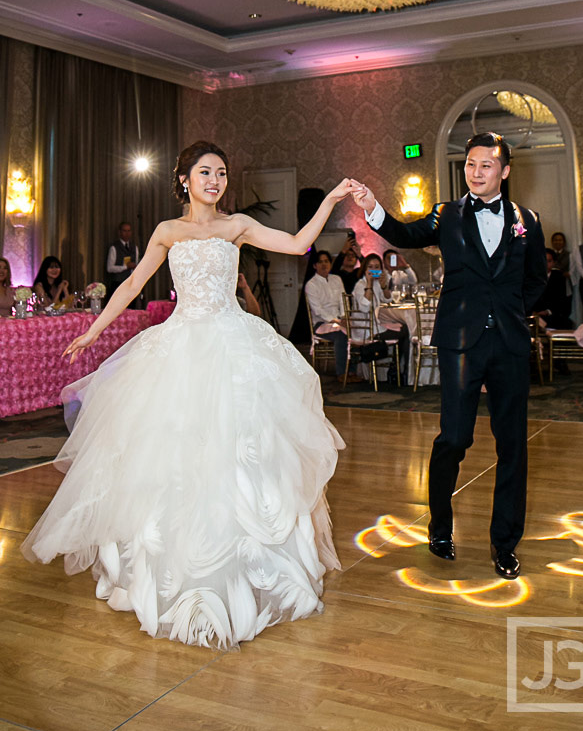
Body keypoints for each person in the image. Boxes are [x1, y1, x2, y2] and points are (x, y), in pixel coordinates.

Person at [22, 141, 350, 650]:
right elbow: (131, 285)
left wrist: (329, 201)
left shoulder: (237, 225)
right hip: (179, 347)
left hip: (233, 345)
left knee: (240, 453)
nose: (214, 181)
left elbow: (297, 243)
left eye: (220, 173)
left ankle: (247, 576)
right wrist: (94, 329)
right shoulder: (167, 232)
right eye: (204, 172)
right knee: (172, 455)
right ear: (184, 180)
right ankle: (170, 576)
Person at [350, 131, 547, 580]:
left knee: (513, 445)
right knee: (454, 438)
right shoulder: (447, 214)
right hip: (461, 340)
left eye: (486, 166)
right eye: (470, 164)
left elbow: (536, 278)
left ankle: (504, 543)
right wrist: (372, 206)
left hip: (510, 344)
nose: (476, 173)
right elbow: (402, 232)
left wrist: (513, 312)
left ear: (505, 171)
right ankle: (439, 527)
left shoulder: (528, 221)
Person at [305, 250, 361, 383]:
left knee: (355, 330)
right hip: (322, 323)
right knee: (341, 335)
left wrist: (344, 317)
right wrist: (336, 320)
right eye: (320, 262)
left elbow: (343, 300)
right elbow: (318, 310)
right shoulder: (311, 285)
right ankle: (342, 373)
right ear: (315, 265)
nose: (324, 265)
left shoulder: (337, 279)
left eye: (326, 261)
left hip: (339, 320)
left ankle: (352, 371)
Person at [352, 253, 409, 381]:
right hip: (366, 329)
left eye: (377, 267)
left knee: (404, 329)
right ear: (365, 269)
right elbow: (365, 308)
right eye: (370, 267)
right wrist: (369, 284)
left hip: (377, 325)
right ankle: (398, 370)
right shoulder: (360, 285)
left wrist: (384, 286)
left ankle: (398, 369)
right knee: (404, 332)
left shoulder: (378, 283)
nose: (374, 270)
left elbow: (388, 300)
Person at [534, 248, 572, 330]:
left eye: (549, 261)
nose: (545, 264)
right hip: (535, 313)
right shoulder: (532, 277)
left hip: (552, 314)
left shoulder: (559, 277)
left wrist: (548, 311)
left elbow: (561, 299)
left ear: (554, 263)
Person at [106, 221, 140, 299]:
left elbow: (137, 264)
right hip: (118, 283)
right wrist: (126, 267)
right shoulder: (114, 248)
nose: (127, 233)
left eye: (129, 231)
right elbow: (109, 268)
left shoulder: (135, 247)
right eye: (124, 231)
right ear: (120, 232)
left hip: (131, 283)